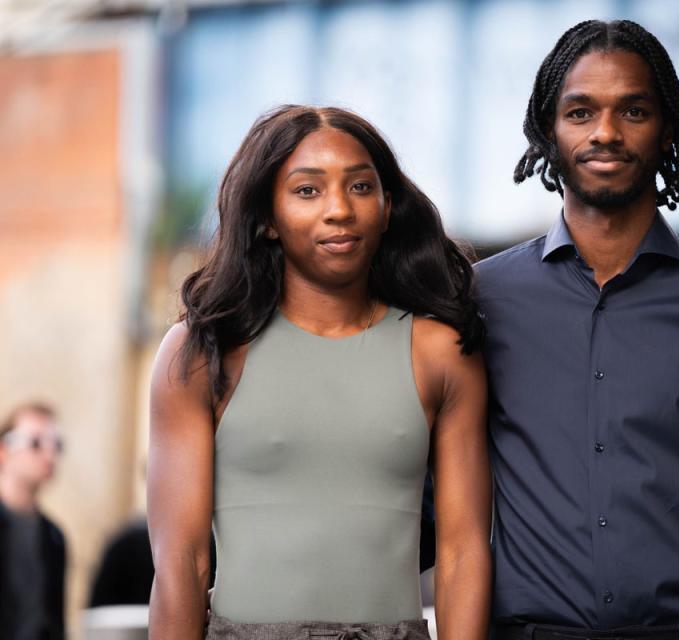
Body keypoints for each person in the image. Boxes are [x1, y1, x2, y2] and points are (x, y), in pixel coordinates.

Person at [475, 20, 679, 640]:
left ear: (667, 132)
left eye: (632, 110)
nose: (605, 132)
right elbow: (426, 501)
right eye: (580, 112)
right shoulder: (482, 301)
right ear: (549, 130)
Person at [147, 105, 491, 640]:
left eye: (360, 187)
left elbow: (462, 552)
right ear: (267, 218)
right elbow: (181, 564)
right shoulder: (200, 352)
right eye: (308, 190)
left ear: (386, 206)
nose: (339, 210)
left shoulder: (440, 352)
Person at [0, 402, 67, 640]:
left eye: (57, 445)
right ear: (4, 451)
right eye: (36, 443)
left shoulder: (54, 536)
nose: (50, 455)